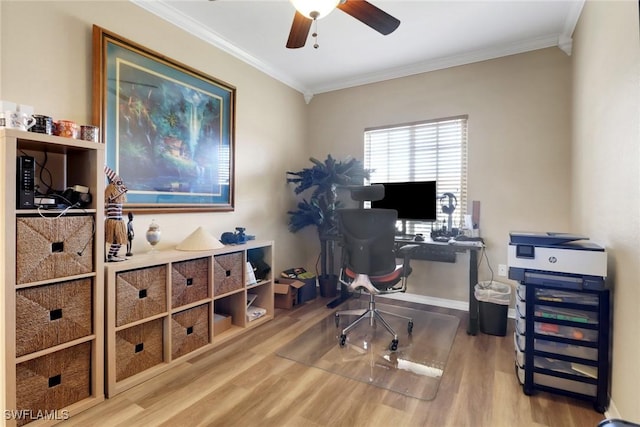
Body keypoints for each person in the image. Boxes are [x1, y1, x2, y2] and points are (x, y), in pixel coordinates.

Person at [104, 165, 128, 262]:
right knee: (116, 240)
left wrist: (122, 191)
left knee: (120, 240)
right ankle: (110, 256)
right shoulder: (110, 193)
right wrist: (121, 192)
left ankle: (114, 254)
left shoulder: (119, 195)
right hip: (113, 221)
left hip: (119, 220)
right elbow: (112, 198)